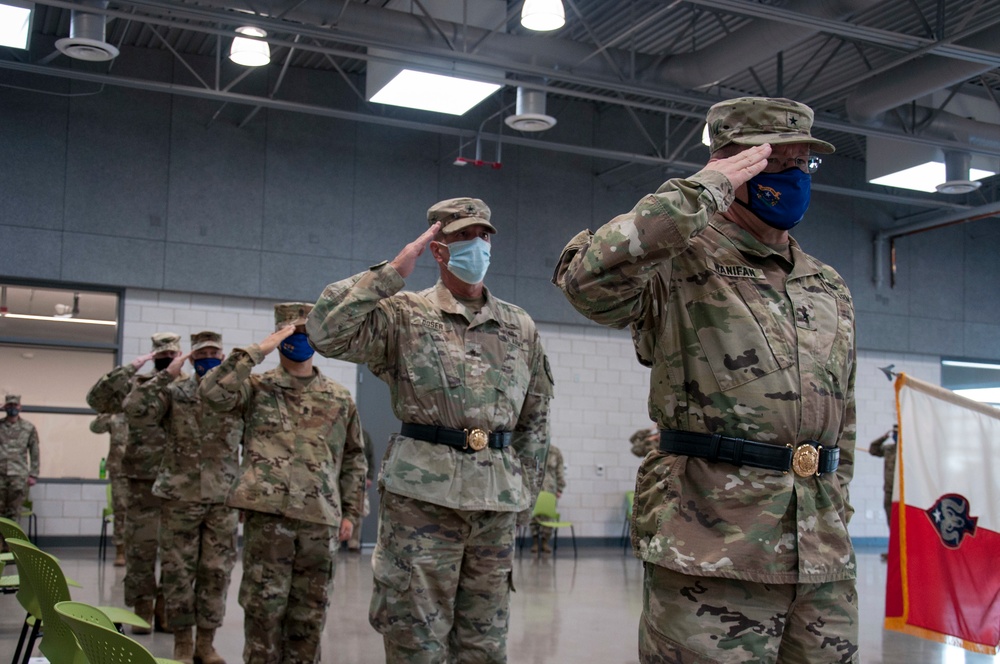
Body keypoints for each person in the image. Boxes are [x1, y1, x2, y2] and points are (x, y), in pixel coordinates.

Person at [554, 97, 858, 663]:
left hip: (821, 556)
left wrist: (837, 509)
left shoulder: (827, 285)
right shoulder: (679, 259)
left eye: (804, 163)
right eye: (777, 161)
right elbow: (587, 284)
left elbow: (843, 419)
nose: (794, 176)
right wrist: (698, 191)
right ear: (733, 165)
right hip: (712, 547)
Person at [306, 197, 554, 663]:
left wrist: (523, 494)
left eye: (484, 236)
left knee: (484, 643)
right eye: (464, 236)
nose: (478, 245)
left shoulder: (519, 325)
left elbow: (535, 418)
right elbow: (324, 331)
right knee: (416, 637)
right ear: (438, 250)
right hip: (423, 503)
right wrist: (390, 273)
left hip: (494, 505)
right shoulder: (404, 314)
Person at [199, 303, 366, 664]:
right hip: (268, 518)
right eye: (293, 332)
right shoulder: (256, 387)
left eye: (307, 332)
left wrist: (352, 512)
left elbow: (354, 457)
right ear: (280, 337)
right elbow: (210, 393)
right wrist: (258, 350)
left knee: (310, 613)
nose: (301, 339)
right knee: (263, 610)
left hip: (319, 519)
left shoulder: (338, 397)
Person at [124, 331, 242, 664]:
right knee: (178, 572)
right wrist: (167, 374)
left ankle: (206, 642)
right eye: (200, 353)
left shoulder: (233, 394)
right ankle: (182, 641)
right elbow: (134, 409)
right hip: (180, 497)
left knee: (216, 573)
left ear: (221, 357)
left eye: (213, 353)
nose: (207, 358)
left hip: (222, 499)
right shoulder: (174, 392)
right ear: (191, 357)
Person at [87, 332, 184, 633]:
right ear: (153, 357)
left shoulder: (188, 387)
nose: (166, 360)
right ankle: (142, 607)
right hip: (140, 479)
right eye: (161, 355)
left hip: (177, 481)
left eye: (171, 354)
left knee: (176, 552)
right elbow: (96, 399)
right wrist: (131, 367)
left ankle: (166, 608)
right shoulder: (134, 386)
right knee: (140, 549)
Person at [89, 412, 129, 566]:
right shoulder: (114, 417)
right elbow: (95, 428)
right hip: (118, 469)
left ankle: (140, 553)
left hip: (144, 469)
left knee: (143, 512)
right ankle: (120, 551)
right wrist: (107, 410)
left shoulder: (145, 412)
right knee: (120, 509)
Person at [0, 394, 39, 521]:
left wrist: (33, 474)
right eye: (9, 405)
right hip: (0, 475)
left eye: (15, 405)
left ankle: (10, 541)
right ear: (5, 407)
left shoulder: (28, 428)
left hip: (18, 477)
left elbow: (34, 451)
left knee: (13, 515)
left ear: (20, 407)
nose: (12, 408)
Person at [531, 443, 566, 554]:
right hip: (535, 487)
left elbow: (559, 471)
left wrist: (560, 488)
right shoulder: (533, 449)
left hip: (550, 489)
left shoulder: (555, 452)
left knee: (548, 517)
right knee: (534, 516)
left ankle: (545, 542)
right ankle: (535, 542)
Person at [346, 429, 374, 552]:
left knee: (358, 509)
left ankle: (354, 543)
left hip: (359, 477)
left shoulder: (365, 435)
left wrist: (370, 477)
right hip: (343, 476)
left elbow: (371, 456)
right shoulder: (341, 429)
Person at [868, 424, 898, 527]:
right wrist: (884, 437)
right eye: (894, 433)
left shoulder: (908, 451)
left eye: (898, 433)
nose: (896, 436)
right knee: (891, 518)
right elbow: (873, 449)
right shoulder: (889, 449)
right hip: (889, 490)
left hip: (903, 493)